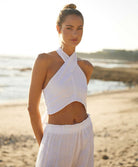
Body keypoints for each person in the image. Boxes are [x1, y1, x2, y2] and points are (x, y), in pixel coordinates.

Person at [28, 3, 94, 167]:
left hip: (84, 132)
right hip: (56, 135)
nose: (75, 33)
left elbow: (75, 100)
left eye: (79, 28)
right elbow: (31, 108)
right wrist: (43, 142)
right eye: (69, 28)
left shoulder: (86, 67)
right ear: (58, 29)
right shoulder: (44, 61)